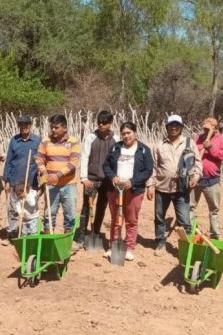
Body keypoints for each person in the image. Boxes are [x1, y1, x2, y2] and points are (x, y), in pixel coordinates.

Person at [146, 114, 202, 257]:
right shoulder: (159, 145)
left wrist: (196, 176)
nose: (174, 128)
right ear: (166, 127)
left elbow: (198, 163)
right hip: (161, 188)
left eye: (177, 125)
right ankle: (160, 243)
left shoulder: (189, 143)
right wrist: (150, 185)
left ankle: (187, 247)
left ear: (182, 127)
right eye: (171, 125)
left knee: (184, 220)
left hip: (182, 189)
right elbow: (153, 167)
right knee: (159, 218)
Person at [103, 122, 153, 261]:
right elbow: (106, 165)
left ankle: (129, 247)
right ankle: (113, 245)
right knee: (116, 218)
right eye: (123, 133)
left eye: (129, 133)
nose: (126, 136)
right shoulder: (116, 148)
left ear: (135, 133)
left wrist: (132, 181)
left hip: (134, 190)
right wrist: (113, 177)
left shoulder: (143, 150)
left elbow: (148, 170)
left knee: (131, 219)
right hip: (115, 189)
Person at [77, 110, 117, 248]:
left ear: (110, 123)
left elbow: (117, 160)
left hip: (107, 180)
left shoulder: (116, 139)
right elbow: (84, 157)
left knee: (101, 207)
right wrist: (84, 177)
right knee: (87, 207)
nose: (101, 125)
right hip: (91, 179)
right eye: (99, 122)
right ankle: (81, 236)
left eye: (104, 123)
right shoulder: (90, 138)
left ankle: (95, 233)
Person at [35, 114, 81, 234]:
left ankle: (67, 240)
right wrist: (45, 174)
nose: (53, 130)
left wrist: (57, 175)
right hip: (51, 185)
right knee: (49, 214)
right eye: (52, 127)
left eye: (56, 127)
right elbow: (39, 160)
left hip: (69, 184)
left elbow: (73, 164)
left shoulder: (73, 142)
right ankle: (48, 238)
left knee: (70, 215)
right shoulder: (45, 141)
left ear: (64, 128)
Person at [1, 115, 41, 245]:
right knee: (13, 209)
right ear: (19, 126)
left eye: (27, 124)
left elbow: (41, 160)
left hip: (30, 181)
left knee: (29, 208)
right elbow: (9, 161)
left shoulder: (37, 141)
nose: (24, 127)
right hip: (15, 179)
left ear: (30, 125)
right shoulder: (14, 140)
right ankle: (12, 232)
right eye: (22, 125)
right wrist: (6, 179)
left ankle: (27, 233)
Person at [190, 117, 223, 239]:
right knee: (190, 207)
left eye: (209, 129)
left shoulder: (221, 139)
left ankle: (215, 234)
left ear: (215, 128)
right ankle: (192, 231)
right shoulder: (197, 138)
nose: (206, 131)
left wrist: (211, 148)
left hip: (212, 180)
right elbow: (191, 153)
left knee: (214, 209)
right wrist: (201, 148)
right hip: (196, 178)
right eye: (205, 128)